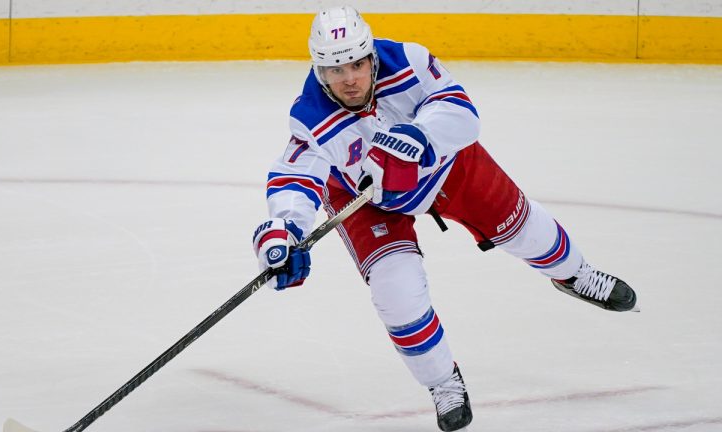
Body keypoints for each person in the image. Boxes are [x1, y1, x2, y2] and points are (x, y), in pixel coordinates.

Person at [251, 6, 638, 431]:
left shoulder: (410, 60)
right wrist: (283, 233)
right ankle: (442, 383)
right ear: (319, 69)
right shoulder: (310, 114)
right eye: (335, 69)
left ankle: (575, 274)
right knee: (396, 295)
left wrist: (417, 138)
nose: (349, 79)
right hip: (369, 202)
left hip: (451, 167)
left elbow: (461, 112)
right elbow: (295, 175)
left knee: (531, 234)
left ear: (372, 57)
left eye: (357, 64)